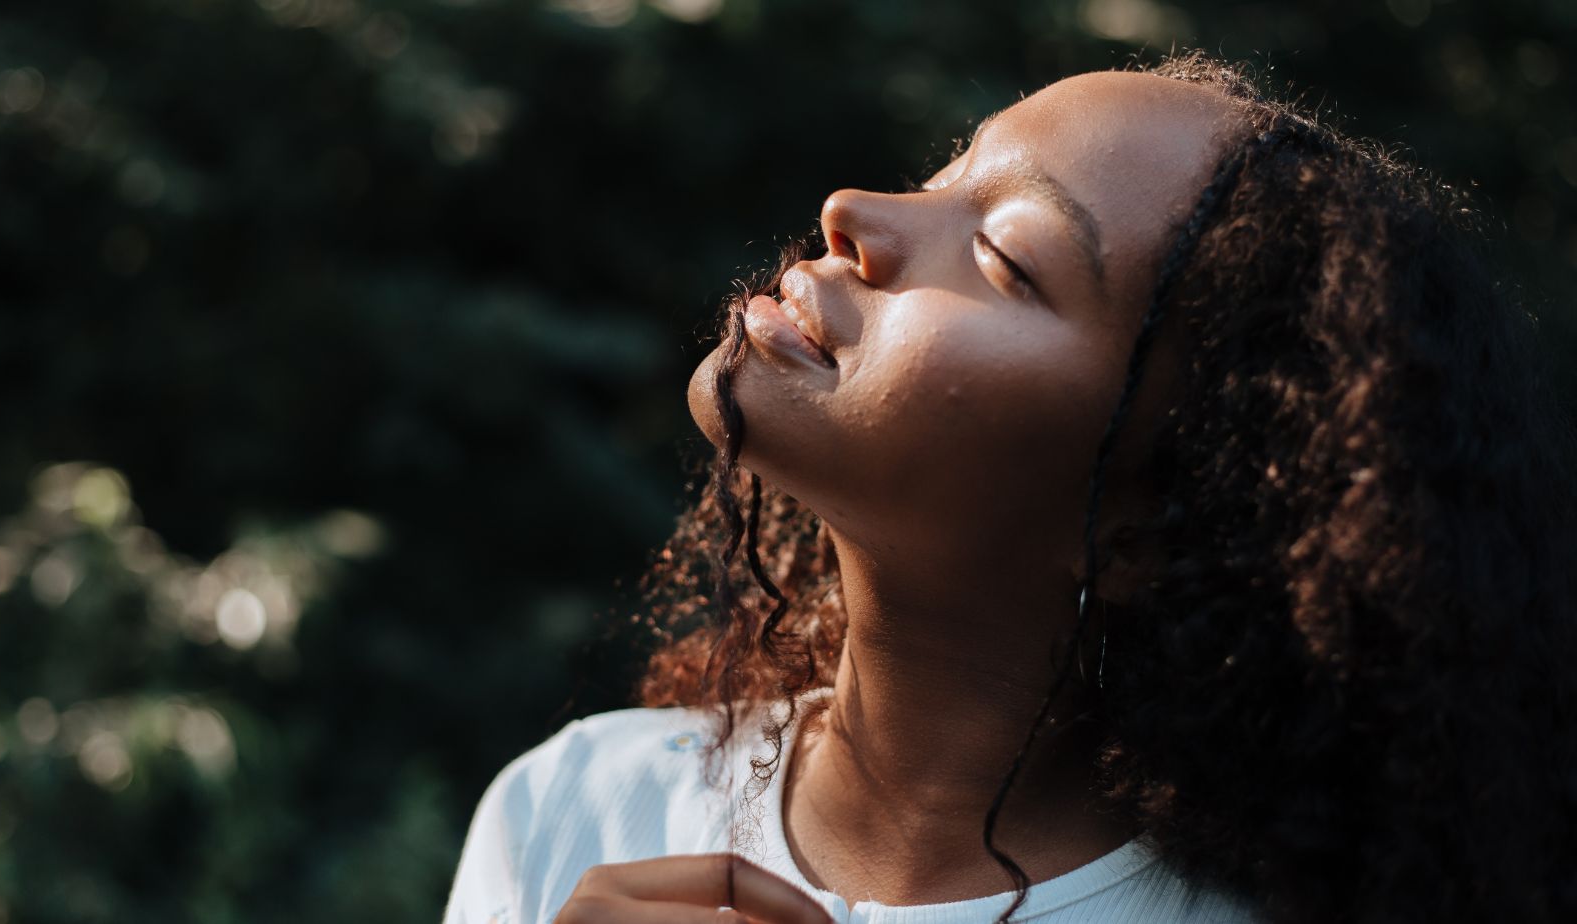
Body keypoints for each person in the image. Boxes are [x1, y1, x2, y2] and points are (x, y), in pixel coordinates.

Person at [443, 51, 1577, 924]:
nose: (852, 211)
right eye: (941, 177)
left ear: (1151, 527)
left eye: (1002, 258)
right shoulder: (575, 811)